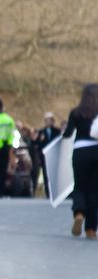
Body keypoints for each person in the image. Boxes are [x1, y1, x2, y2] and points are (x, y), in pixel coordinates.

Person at [62, 83, 98, 240]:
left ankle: (78, 213)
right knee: (94, 190)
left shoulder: (76, 112)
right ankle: (91, 229)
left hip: (80, 151)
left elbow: (67, 133)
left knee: (80, 186)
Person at [34, 112, 61, 198]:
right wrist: (40, 139)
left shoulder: (57, 131)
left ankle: (55, 191)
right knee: (46, 174)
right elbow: (37, 143)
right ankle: (48, 192)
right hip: (45, 156)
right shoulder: (42, 131)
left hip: (54, 155)